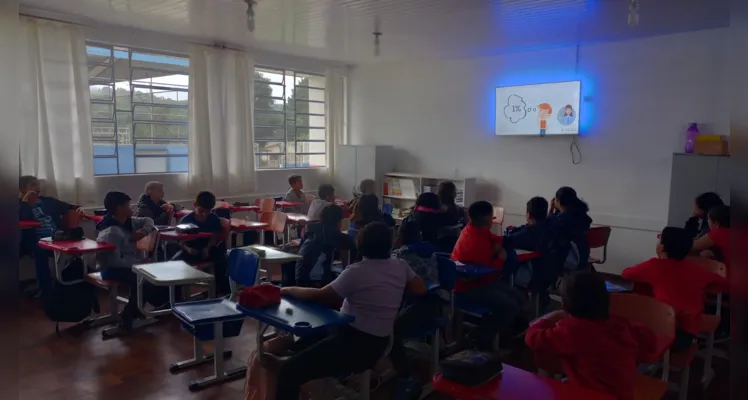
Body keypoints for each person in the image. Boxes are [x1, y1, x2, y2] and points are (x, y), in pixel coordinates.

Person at [276, 222, 427, 400]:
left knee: (288, 371)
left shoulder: (356, 272)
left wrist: (286, 289)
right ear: (390, 245)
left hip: (354, 344)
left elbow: (319, 295)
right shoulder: (400, 266)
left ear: (360, 246)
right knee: (303, 346)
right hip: (381, 342)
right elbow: (421, 288)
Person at [525, 272, 657, 400]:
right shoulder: (624, 325)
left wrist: (551, 317)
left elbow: (532, 337)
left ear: (564, 306)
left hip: (587, 395)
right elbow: (651, 344)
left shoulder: (572, 332)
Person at [621, 227, 726, 351]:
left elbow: (626, 273)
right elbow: (720, 283)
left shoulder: (654, 266)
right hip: (687, 334)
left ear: (661, 247)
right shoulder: (697, 270)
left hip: (661, 331)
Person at [451, 200, 527, 350]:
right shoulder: (475, 243)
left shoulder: (472, 229)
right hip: (469, 287)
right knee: (509, 305)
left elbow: (492, 237)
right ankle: (476, 337)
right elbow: (490, 271)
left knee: (518, 296)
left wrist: (498, 245)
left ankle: (511, 332)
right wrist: (501, 257)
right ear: (486, 218)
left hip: (481, 281)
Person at [96, 191, 167, 330]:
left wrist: (144, 231)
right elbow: (115, 261)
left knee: (145, 279)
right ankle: (128, 316)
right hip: (110, 269)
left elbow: (148, 220)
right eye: (128, 205)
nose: (132, 208)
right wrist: (139, 265)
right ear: (119, 209)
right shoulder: (111, 232)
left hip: (127, 265)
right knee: (144, 281)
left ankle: (135, 312)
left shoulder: (128, 222)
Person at [391, 221, 442, 399]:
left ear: (401, 237)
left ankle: (406, 376)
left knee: (389, 331)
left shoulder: (401, 255)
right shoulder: (431, 251)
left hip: (418, 305)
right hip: (432, 304)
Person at [19, 175, 86, 293]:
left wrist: (79, 209)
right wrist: (25, 201)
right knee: (40, 252)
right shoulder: (19, 205)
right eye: (33, 185)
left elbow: (71, 207)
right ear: (23, 189)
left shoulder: (49, 201)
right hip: (34, 239)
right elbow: (21, 217)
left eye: (37, 184)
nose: (37, 188)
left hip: (56, 237)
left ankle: (76, 282)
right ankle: (46, 290)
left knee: (78, 244)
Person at [287, 204, 355, 287]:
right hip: (315, 282)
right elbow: (351, 249)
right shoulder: (333, 234)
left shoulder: (310, 229)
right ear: (338, 221)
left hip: (299, 277)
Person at [177, 191, 229, 294]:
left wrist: (208, 248)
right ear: (195, 205)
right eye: (201, 211)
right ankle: (175, 297)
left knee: (222, 260)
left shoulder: (214, 218)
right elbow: (180, 241)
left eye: (208, 211)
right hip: (191, 248)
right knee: (176, 264)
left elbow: (214, 237)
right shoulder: (186, 220)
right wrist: (188, 249)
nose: (204, 214)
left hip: (209, 248)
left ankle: (224, 292)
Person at [548, 186, 592, 271]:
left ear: (558, 201)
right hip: (583, 255)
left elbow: (546, 225)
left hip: (567, 259)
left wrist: (551, 209)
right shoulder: (582, 216)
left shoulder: (561, 219)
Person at [692, 205, 731, 271]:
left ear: (716, 223)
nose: (707, 221)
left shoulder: (720, 232)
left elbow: (693, 245)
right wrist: (715, 255)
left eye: (708, 219)